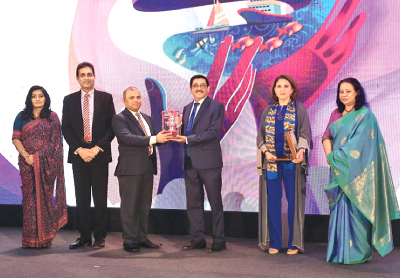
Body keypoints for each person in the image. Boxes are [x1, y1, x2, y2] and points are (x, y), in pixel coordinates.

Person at [322, 77, 400, 264]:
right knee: (339, 209)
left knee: (357, 210)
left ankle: (359, 254)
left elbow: (364, 145)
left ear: (357, 92)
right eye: (341, 91)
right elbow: (327, 136)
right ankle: (338, 252)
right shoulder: (335, 114)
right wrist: (331, 158)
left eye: (348, 91)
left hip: (358, 173)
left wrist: (339, 158)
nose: (344, 95)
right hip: (338, 169)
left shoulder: (366, 115)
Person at [62, 62, 116, 249]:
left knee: (100, 198)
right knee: (82, 197)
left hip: (99, 155)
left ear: (94, 77)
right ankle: (84, 236)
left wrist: (96, 149)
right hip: (79, 155)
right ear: (77, 78)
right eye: (82, 75)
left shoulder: (106, 98)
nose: (86, 77)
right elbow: (66, 128)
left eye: (89, 74)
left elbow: (111, 127)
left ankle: (100, 237)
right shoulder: (69, 100)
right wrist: (80, 149)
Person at [256, 75, 312, 255]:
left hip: (292, 164)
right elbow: (261, 137)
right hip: (272, 164)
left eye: (285, 86)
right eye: (278, 86)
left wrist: (301, 151)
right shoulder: (268, 111)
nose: (282, 89)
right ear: (274, 90)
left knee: (293, 202)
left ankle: (294, 243)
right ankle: (274, 242)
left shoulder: (299, 109)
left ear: (292, 89)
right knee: (272, 202)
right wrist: (266, 153)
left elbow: (305, 133)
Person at [112, 87, 171, 252]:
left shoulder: (146, 118)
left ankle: (141, 237)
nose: (136, 100)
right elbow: (128, 138)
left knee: (144, 206)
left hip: (146, 168)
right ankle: (130, 241)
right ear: (124, 101)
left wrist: (167, 136)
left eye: (138, 97)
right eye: (131, 98)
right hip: (130, 169)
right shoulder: (119, 118)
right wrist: (154, 138)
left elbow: (152, 140)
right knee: (129, 207)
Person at [172, 74, 226, 253]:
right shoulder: (187, 108)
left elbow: (213, 132)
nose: (199, 88)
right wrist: (176, 127)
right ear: (190, 89)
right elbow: (184, 132)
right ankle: (198, 238)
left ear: (208, 88)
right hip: (190, 162)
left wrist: (187, 139)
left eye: (203, 85)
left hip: (209, 162)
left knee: (215, 201)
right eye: (195, 85)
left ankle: (219, 239)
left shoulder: (216, 106)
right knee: (193, 202)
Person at [12, 85, 67, 248]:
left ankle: (44, 238)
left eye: (40, 96)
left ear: (46, 98)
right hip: (26, 163)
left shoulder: (52, 117)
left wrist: (38, 157)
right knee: (29, 200)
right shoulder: (22, 116)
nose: (37, 99)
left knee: (45, 199)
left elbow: (55, 141)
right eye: (34, 96)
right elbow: (16, 138)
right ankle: (29, 239)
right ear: (29, 99)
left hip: (46, 164)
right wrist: (26, 156)